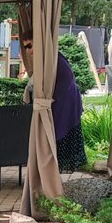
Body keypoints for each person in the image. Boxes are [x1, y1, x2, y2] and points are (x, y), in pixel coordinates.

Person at [22, 30, 87, 172]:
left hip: (66, 104)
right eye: (25, 47)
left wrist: (50, 99)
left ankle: (54, 171)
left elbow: (67, 80)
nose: (27, 50)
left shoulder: (54, 59)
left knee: (60, 136)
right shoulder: (46, 59)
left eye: (29, 46)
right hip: (59, 103)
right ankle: (52, 170)